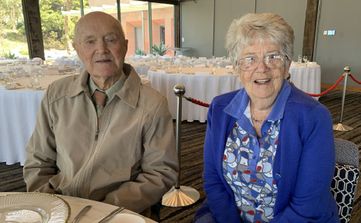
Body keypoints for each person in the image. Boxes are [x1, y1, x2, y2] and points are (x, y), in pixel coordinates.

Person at [23, 11, 178, 215]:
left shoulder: (152, 105)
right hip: (60, 207)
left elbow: (160, 173)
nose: (101, 49)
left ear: (124, 45)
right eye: (90, 42)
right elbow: (38, 160)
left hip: (119, 213)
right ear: (77, 49)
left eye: (110, 40)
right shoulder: (56, 95)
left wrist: (103, 210)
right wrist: (51, 206)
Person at [195, 13, 339, 222]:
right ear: (237, 67)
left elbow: (306, 207)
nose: (261, 68)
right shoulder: (220, 108)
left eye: (273, 56)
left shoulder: (314, 117)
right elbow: (213, 180)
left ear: (287, 65)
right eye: (250, 59)